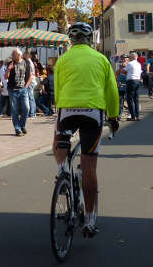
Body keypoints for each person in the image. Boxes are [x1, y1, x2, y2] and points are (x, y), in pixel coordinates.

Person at [53, 22, 119, 237]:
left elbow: (58, 89)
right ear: (91, 40)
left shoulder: (63, 60)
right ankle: (90, 220)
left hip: (68, 110)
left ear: (71, 40)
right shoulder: (101, 59)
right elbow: (112, 91)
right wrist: (113, 116)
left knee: (59, 136)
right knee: (89, 168)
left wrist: (59, 108)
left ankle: (62, 169)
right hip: (93, 112)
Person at [5, 48, 33, 136]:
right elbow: (6, 77)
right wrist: (9, 69)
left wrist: (26, 86)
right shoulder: (10, 63)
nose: (12, 56)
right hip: (12, 90)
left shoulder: (26, 63)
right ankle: (18, 129)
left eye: (14, 54)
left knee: (26, 108)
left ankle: (22, 125)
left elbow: (31, 76)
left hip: (23, 89)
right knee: (14, 110)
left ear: (19, 55)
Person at [119, 53, 142, 120]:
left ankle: (132, 116)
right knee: (136, 99)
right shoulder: (138, 64)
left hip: (131, 81)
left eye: (129, 57)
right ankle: (137, 116)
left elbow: (123, 71)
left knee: (130, 99)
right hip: (137, 81)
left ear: (131, 58)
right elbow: (140, 73)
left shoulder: (130, 63)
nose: (128, 58)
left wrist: (122, 68)